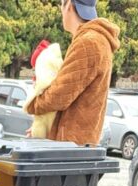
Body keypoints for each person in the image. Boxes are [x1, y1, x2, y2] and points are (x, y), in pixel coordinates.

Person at [25, 0, 120, 146]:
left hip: (70, 146)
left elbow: (59, 96)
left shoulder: (87, 42)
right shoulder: (96, 40)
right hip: (78, 144)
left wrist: (32, 105)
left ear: (68, 4)